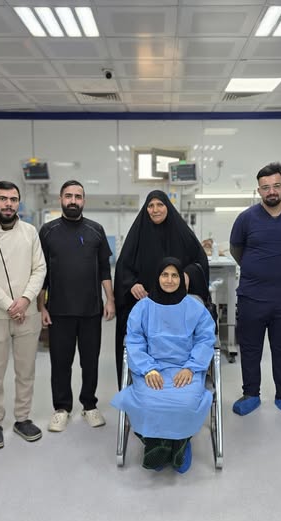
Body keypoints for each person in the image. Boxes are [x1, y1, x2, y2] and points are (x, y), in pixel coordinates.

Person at [111, 257, 216, 473]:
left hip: (186, 368)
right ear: (157, 278)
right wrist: (148, 368)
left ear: (181, 279)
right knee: (148, 401)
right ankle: (157, 445)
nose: (169, 280)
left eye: (174, 275)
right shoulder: (142, 308)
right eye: (164, 275)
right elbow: (134, 341)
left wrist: (191, 367)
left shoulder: (194, 308)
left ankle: (180, 444)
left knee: (186, 402)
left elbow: (205, 339)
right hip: (150, 368)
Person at [0, 181, 47, 450]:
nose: (8, 204)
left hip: (28, 312)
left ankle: (23, 418)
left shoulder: (30, 232)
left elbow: (40, 269)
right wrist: (9, 305)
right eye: (3, 199)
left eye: (13, 199)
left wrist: (25, 301)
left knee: (26, 371)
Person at [228, 162, 281, 417]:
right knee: (250, 348)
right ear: (259, 190)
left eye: (276, 186)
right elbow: (237, 250)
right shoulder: (246, 219)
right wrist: (258, 269)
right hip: (252, 296)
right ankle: (251, 394)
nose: (271, 191)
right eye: (265, 187)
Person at [39, 180, 115, 432]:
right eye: (68, 196)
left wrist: (110, 299)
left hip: (90, 310)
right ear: (60, 199)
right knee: (60, 362)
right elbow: (41, 273)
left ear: (84, 200)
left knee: (90, 361)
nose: (73, 200)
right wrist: (42, 307)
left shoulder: (96, 230)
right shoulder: (48, 231)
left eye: (78, 196)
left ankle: (89, 405)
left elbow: (105, 269)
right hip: (59, 310)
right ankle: (61, 408)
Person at [114, 190, 209, 385]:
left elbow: (200, 261)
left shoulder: (182, 234)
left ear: (168, 207)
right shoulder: (137, 235)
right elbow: (123, 267)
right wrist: (132, 284)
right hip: (145, 305)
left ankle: (185, 372)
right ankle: (141, 376)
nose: (155, 209)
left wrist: (188, 274)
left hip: (177, 310)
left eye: (160, 205)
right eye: (151, 205)